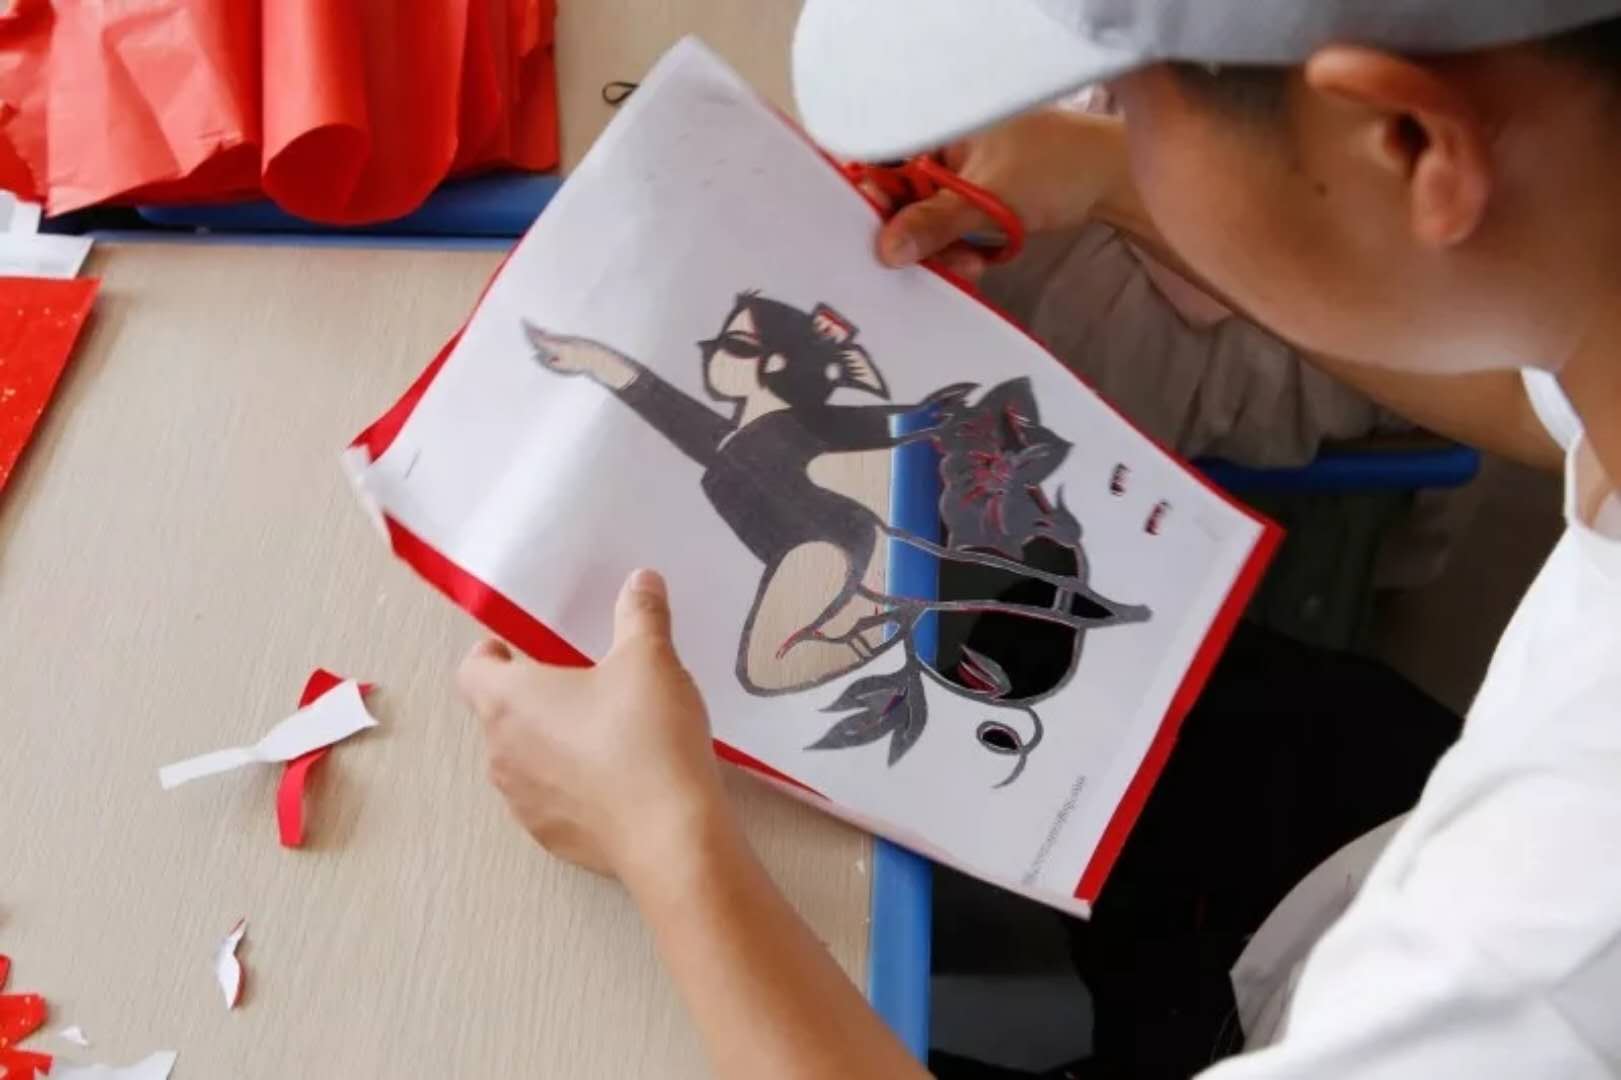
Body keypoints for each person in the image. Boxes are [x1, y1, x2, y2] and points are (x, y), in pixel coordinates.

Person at [456, 2, 1621, 1076]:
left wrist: (663, 840)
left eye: (1136, 100)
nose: (1120, 126)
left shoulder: (1537, 957)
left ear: (1408, 139)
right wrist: (1112, 176)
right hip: (1372, 814)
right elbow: (1538, 406)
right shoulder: (1588, 303)